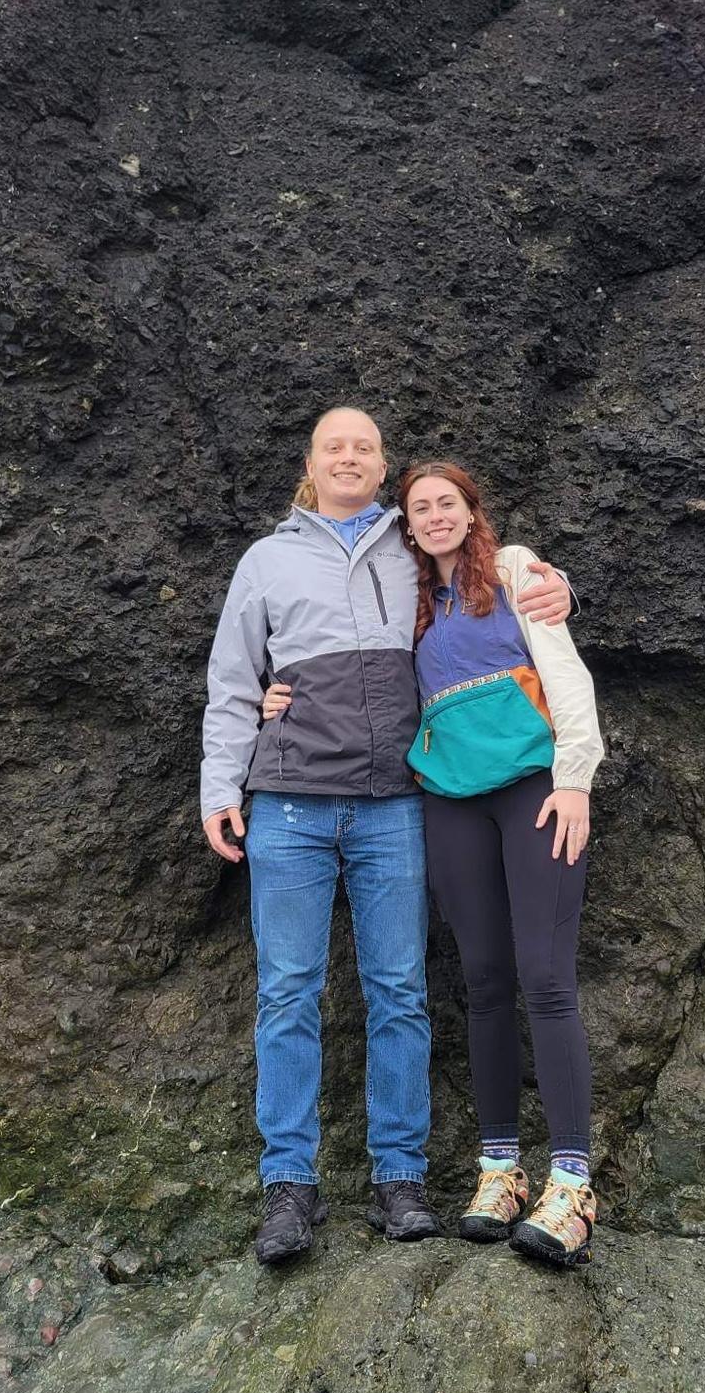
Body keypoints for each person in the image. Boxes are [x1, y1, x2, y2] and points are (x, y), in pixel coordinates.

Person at [200, 407, 572, 1266]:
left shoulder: (411, 553)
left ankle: (399, 1179)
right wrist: (222, 784)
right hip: (288, 804)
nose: (349, 457)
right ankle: (289, 1186)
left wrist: (560, 589)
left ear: (380, 466)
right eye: (335, 445)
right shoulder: (266, 560)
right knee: (287, 994)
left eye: (364, 447)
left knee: (398, 992)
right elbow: (232, 681)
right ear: (312, 461)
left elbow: (495, 582)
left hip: (394, 804)